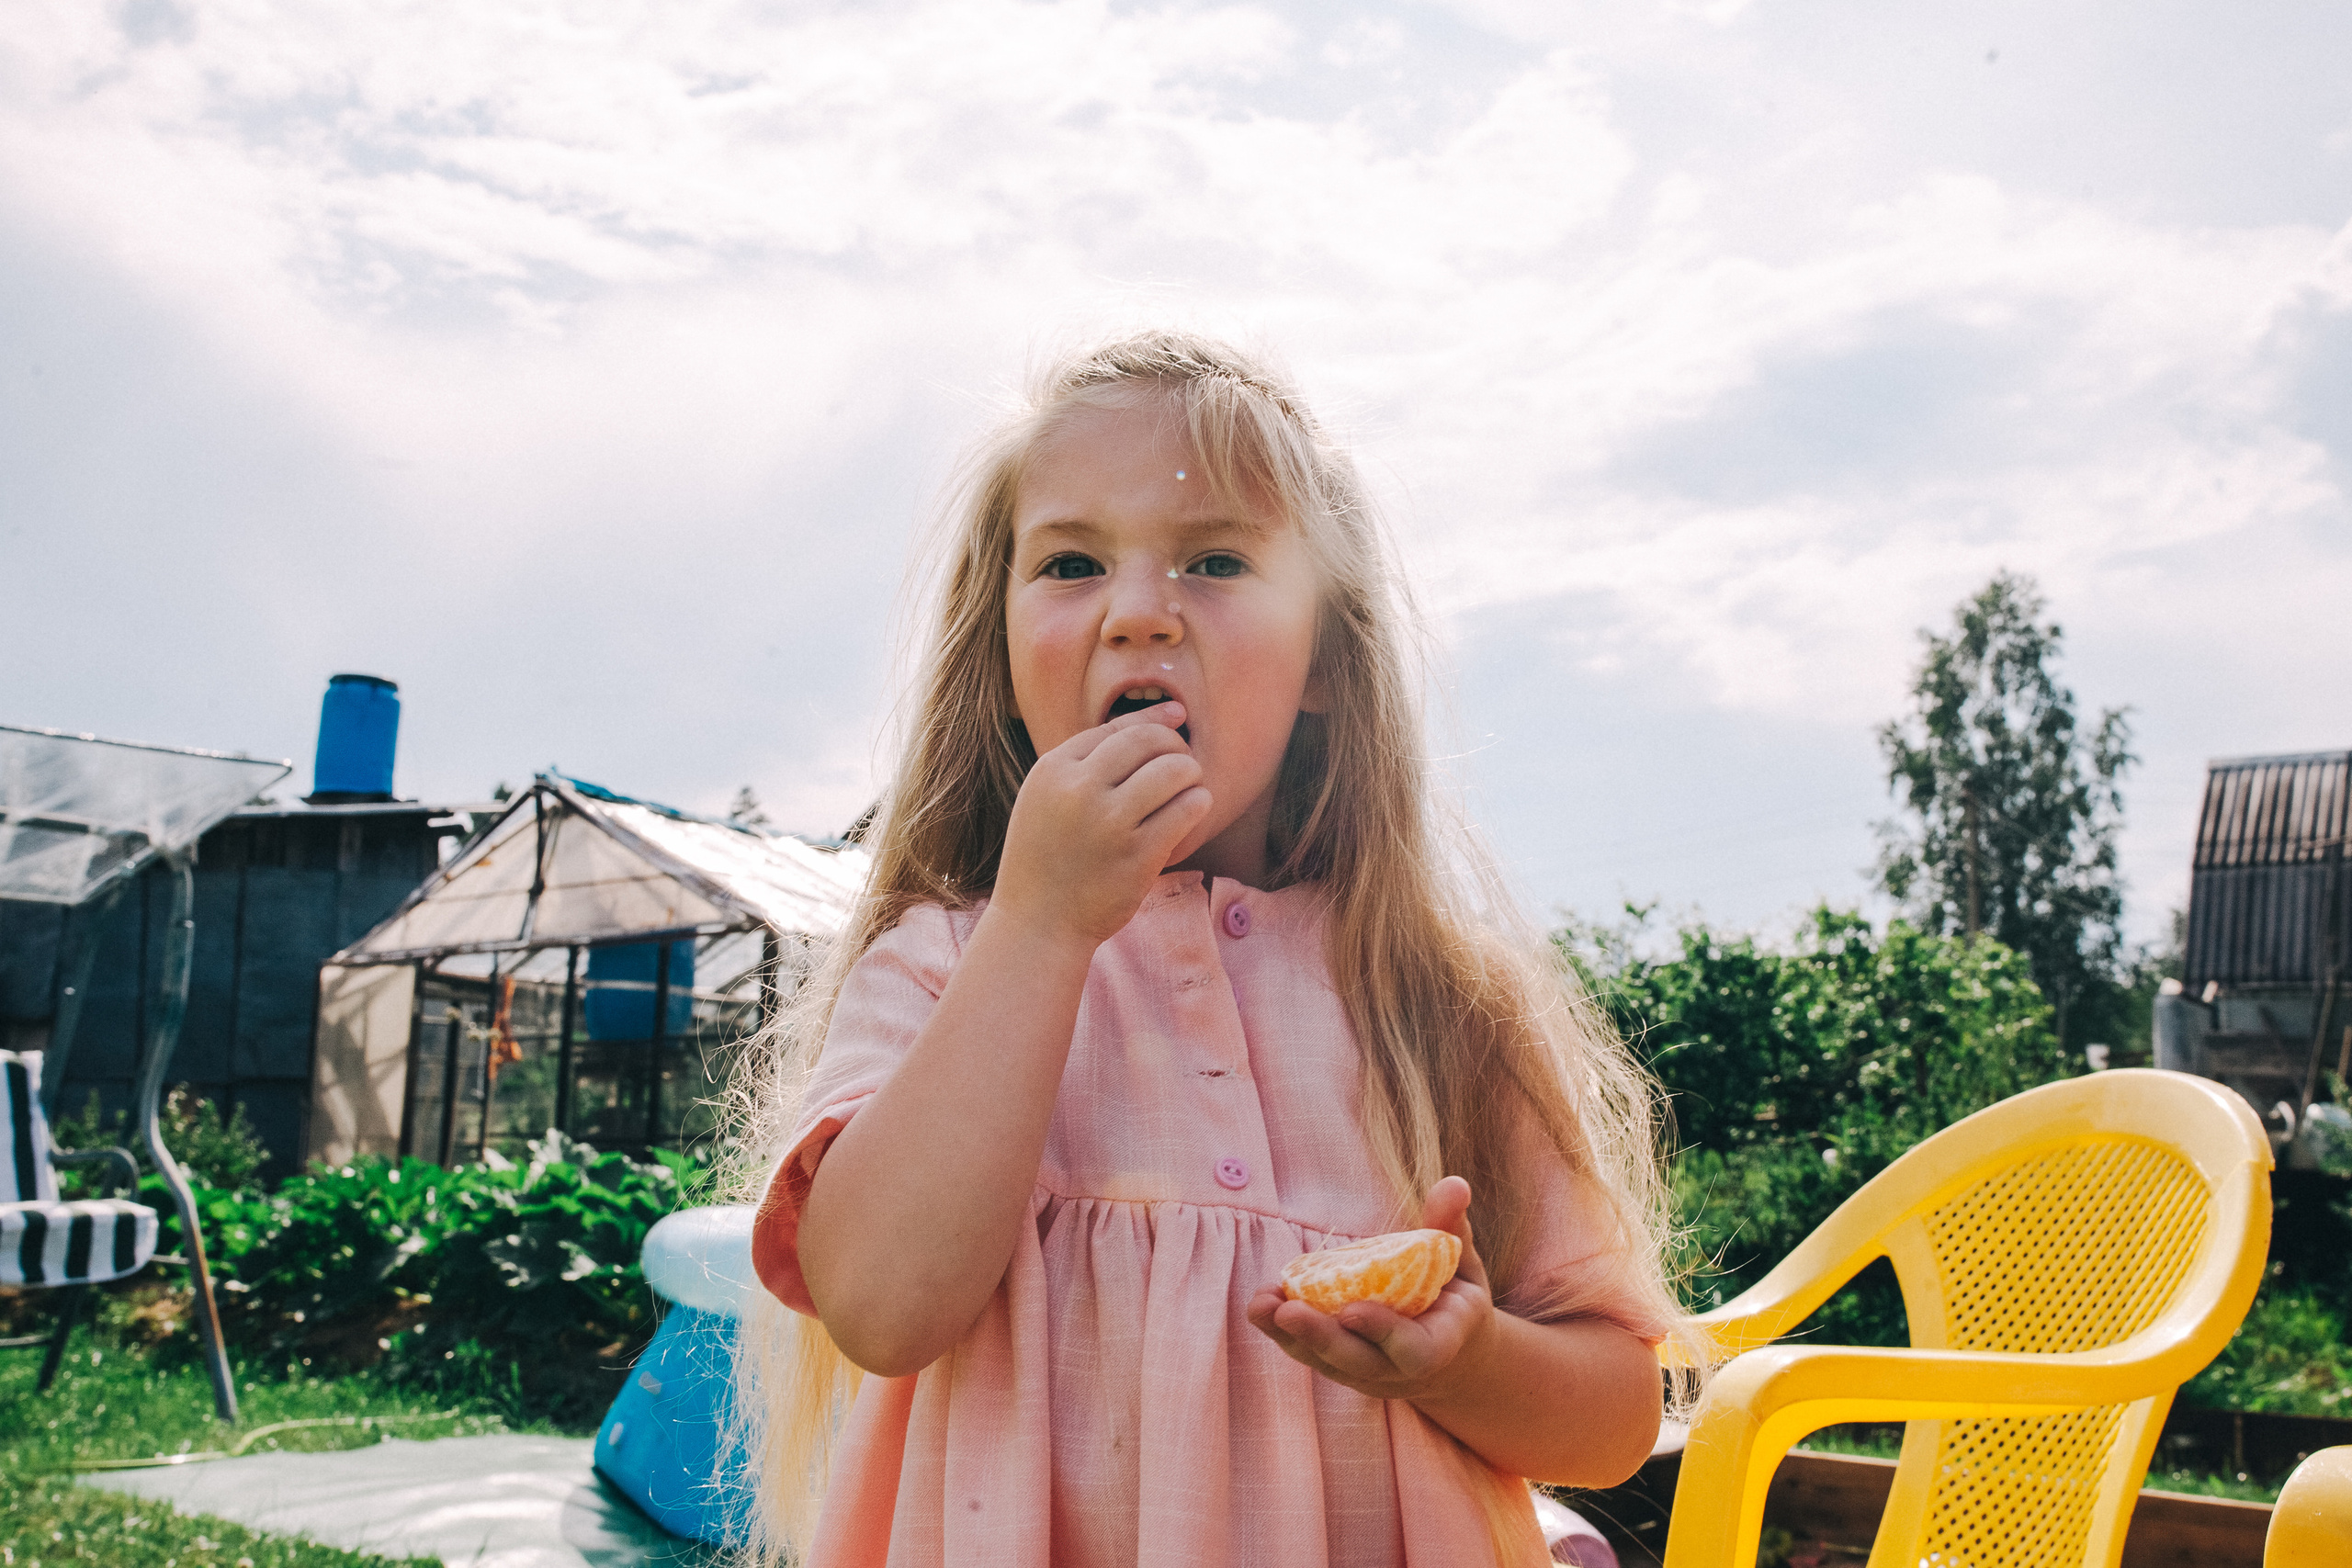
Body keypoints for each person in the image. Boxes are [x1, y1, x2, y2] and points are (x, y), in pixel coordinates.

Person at [732, 331, 1688, 1567]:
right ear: (1004, 646)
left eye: (1216, 560)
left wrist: (1472, 1357)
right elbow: (879, 1307)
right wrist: (1039, 927)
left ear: (1327, 663)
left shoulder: (1435, 1003)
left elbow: (1616, 1419)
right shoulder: (940, 968)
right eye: (1073, 563)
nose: (1138, 611)